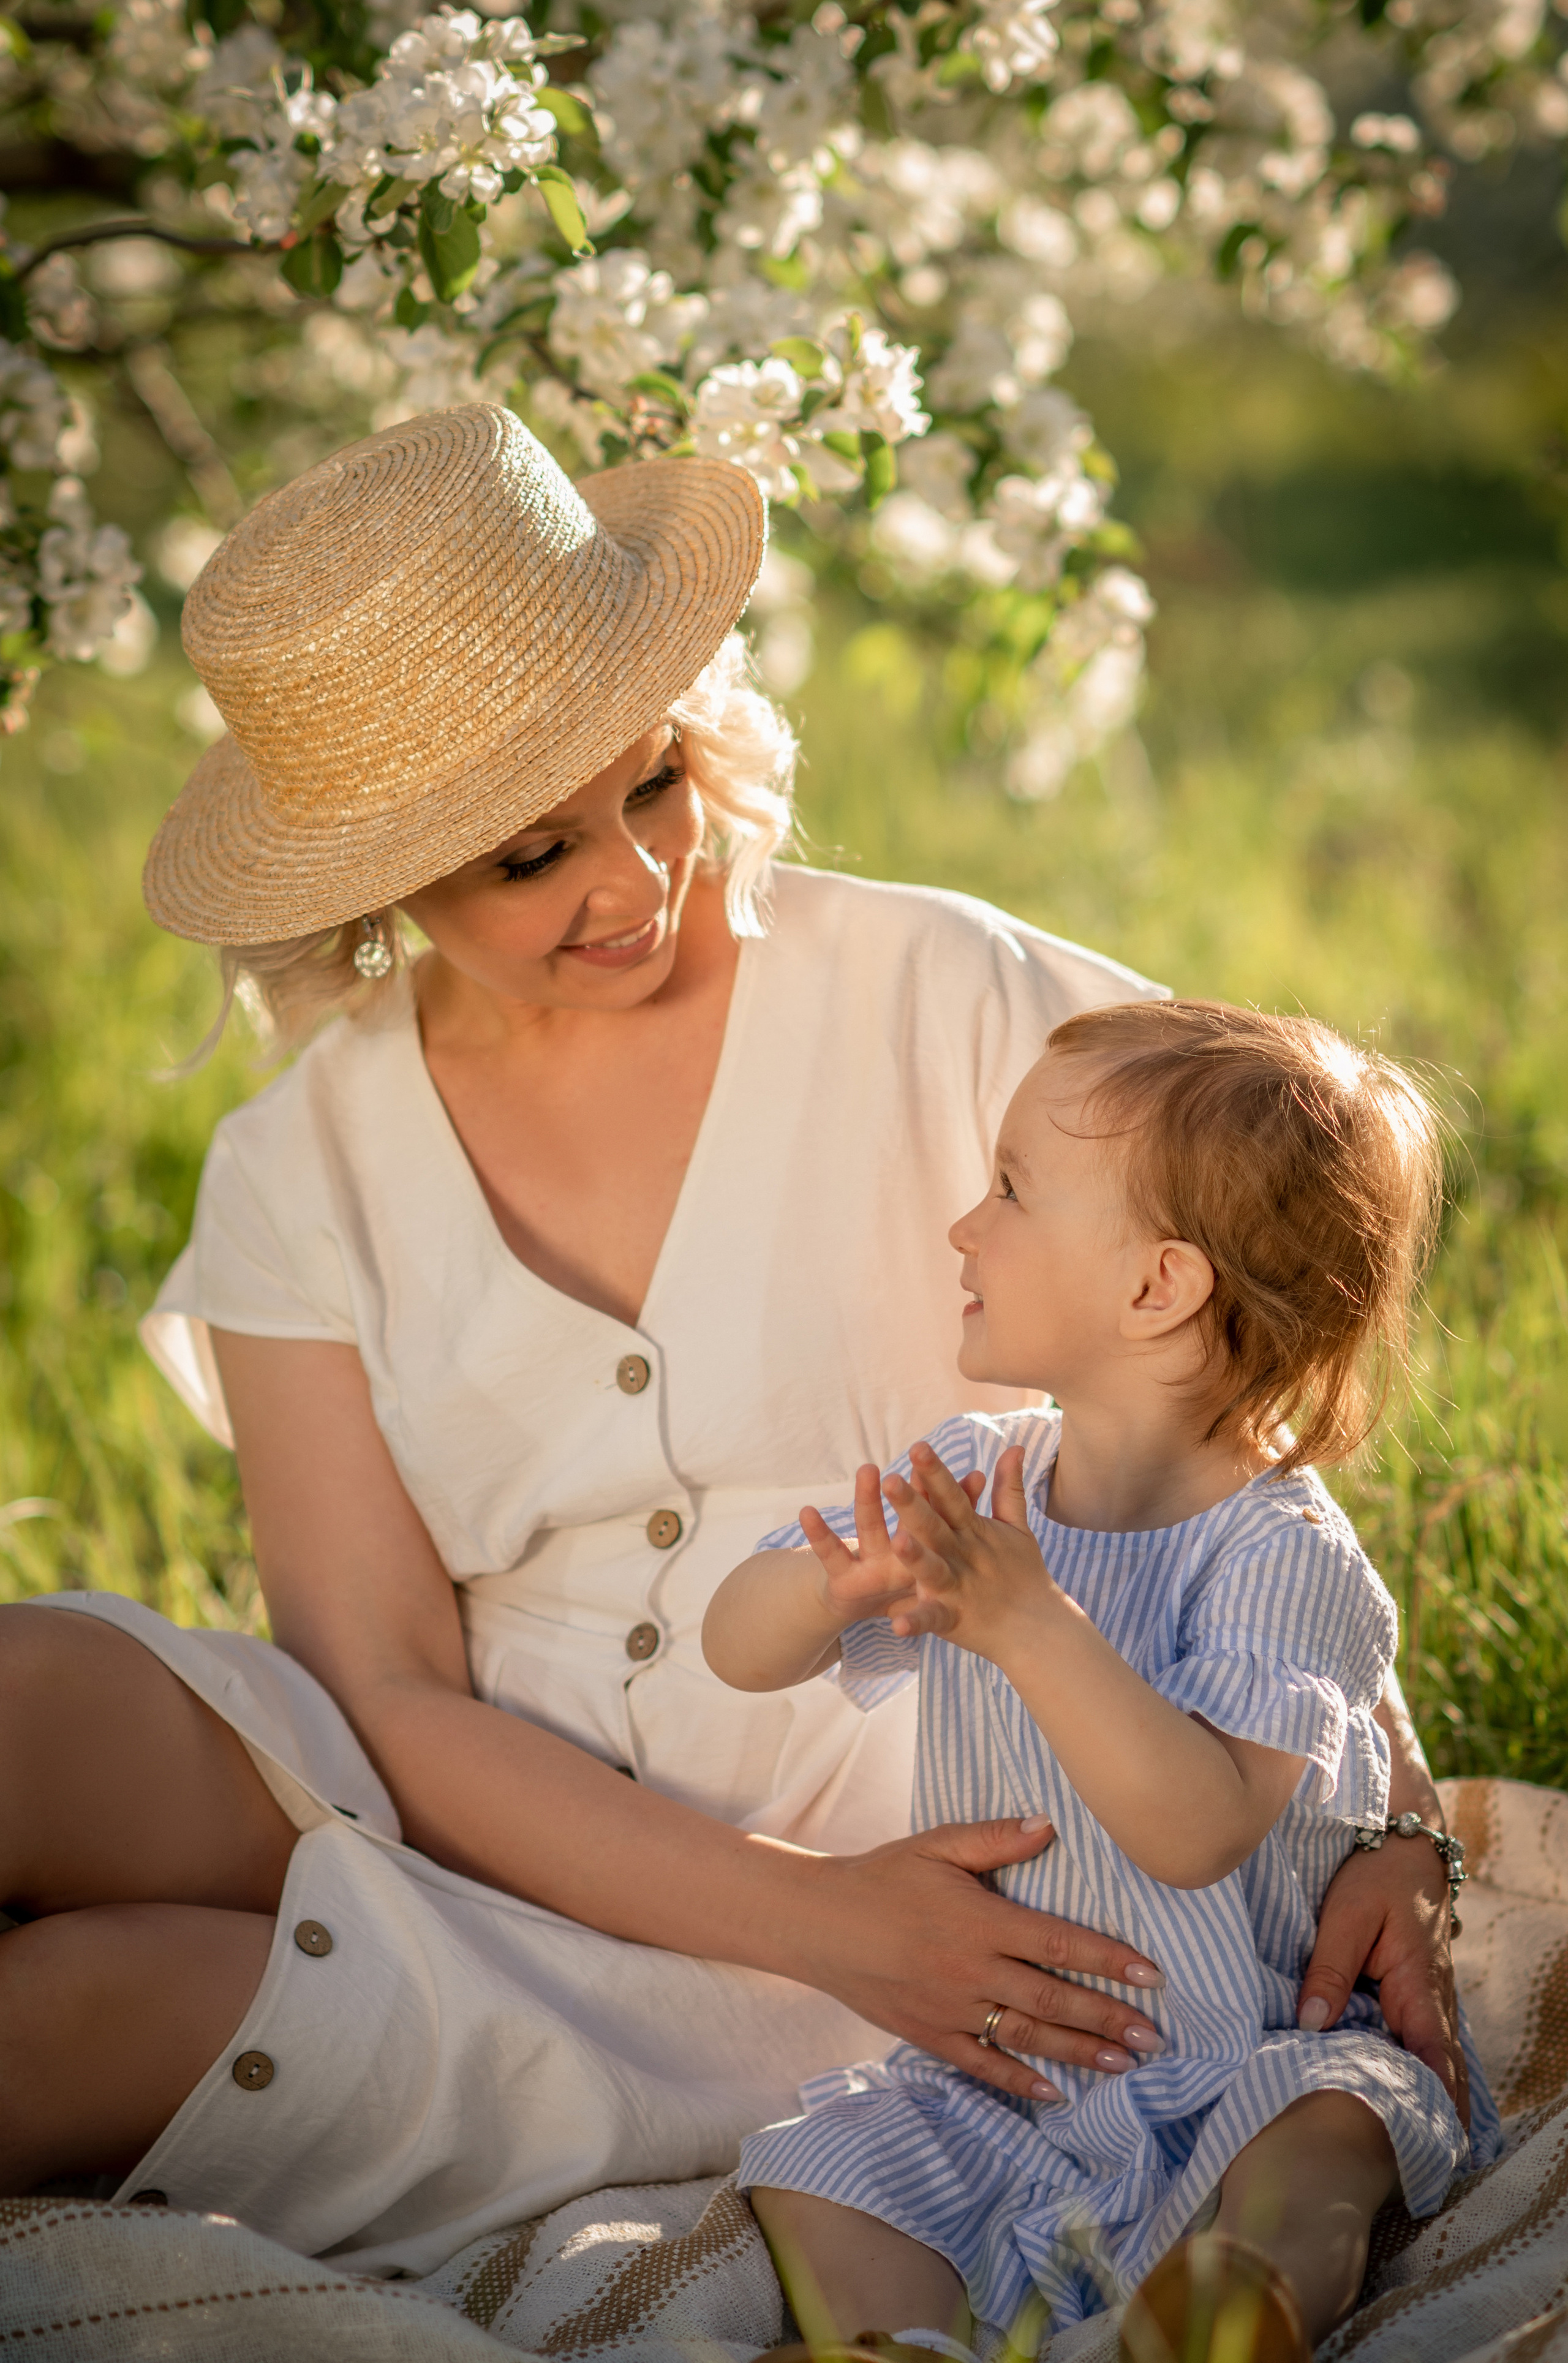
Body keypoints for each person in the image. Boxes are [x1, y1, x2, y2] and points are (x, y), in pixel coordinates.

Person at [0, 407, 1468, 2278]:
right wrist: (807, 1914)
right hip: (488, 1819)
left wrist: (1386, 1829)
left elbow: (1250, 1392)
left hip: (936, 1880)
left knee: (62, 2023)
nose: (634, 881)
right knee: (27, 1698)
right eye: (532, 854)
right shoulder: (298, 1164)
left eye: (658, 784)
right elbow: (384, 1688)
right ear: (378, 878)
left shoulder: (948, 990)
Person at [706, 1000, 1498, 2363]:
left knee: (1339, 2132)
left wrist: (1032, 1627)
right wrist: (826, 1589)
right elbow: (732, 1645)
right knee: (828, 2152)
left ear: (1156, 1287)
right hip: (1010, 2072)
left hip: (1243, 2055)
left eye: (1009, 1191)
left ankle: (1217, 2310)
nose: (964, 1228)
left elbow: (1192, 1829)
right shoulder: (977, 1477)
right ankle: (897, 2341)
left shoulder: (1282, 1552)